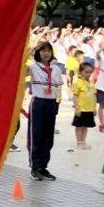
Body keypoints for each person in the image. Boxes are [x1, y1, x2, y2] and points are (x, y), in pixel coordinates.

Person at [27, 41, 63, 181]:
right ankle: (34, 167)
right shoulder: (34, 67)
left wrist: (58, 100)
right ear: (37, 52)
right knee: (36, 135)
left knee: (48, 137)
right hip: (38, 102)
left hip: (51, 103)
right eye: (42, 50)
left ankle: (43, 166)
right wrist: (32, 49)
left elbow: (58, 86)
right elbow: (22, 64)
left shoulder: (57, 69)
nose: (46, 53)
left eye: (48, 50)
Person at [71, 61, 96, 151]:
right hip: (81, 109)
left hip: (89, 109)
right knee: (79, 126)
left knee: (85, 126)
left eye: (90, 72)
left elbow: (94, 96)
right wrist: (77, 108)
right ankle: (79, 142)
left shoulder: (91, 82)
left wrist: (94, 108)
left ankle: (83, 141)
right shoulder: (77, 82)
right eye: (86, 72)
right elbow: (75, 96)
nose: (88, 74)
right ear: (80, 72)